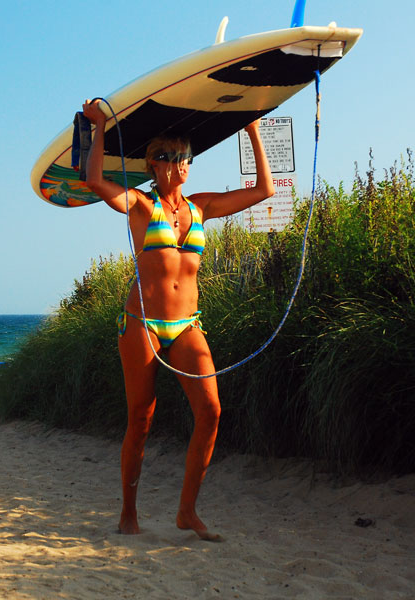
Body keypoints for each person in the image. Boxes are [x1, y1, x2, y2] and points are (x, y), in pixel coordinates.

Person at [81, 99, 275, 541]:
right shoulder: (141, 206)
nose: (179, 165)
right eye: (169, 157)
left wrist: (252, 131)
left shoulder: (202, 206)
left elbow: (264, 190)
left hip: (188, 324)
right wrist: (100, 128)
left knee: (210, 411)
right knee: (141, 419)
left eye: (185, 157)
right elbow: (94, 180)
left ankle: (187, 512)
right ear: (153, 163)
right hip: (142, 324)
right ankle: (128, 512)